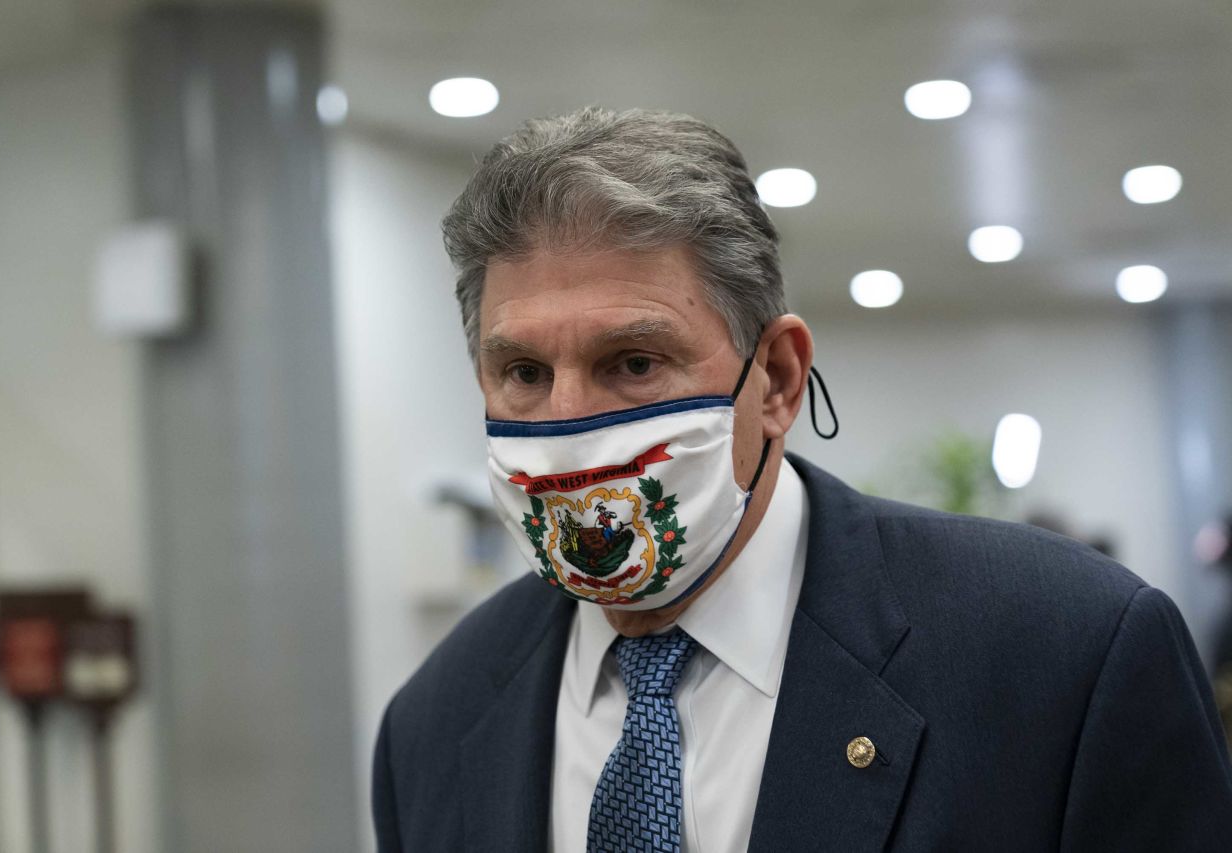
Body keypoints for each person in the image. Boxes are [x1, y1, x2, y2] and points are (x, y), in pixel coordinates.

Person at [372, 107, 1232, 851]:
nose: (566, 428)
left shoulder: (1068, 654)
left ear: (777, 379)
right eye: (522, 372)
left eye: (633, 361)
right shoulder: (433, 726)